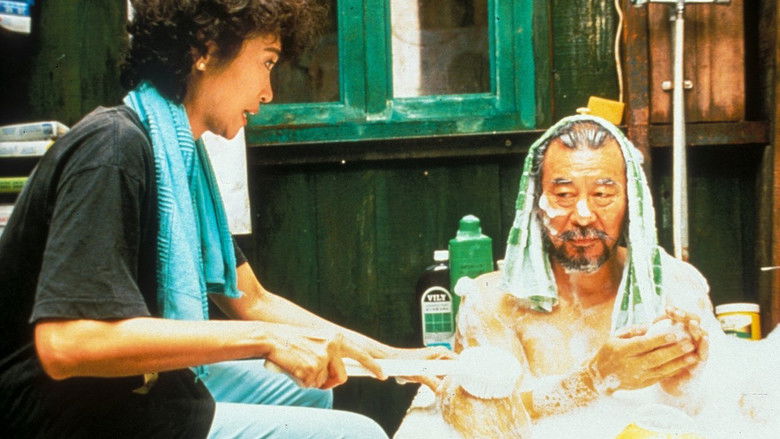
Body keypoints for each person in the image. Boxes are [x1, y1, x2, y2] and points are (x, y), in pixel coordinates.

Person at [0, 1, 446, 437]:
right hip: (64, 411)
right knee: (358, 433)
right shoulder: (114, 148)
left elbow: (252, 299)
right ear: (205, 49)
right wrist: (265, 339)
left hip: (128, 389)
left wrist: (392, 358)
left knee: (307, 390)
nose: (269, 92)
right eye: (267, 62)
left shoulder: (179, 161)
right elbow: (67, 344)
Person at [395, 115, 717, 438]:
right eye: (564, 195)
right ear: (536, 202)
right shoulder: (494, 303)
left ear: (631, 201)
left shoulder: (674, 286)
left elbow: (720, 412)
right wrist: (593, 378)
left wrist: (683, 387)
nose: (583, 216)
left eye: (602, 195)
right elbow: (476, 423)